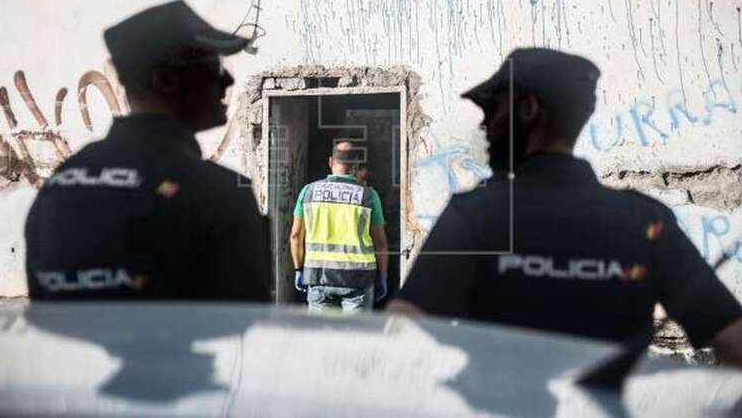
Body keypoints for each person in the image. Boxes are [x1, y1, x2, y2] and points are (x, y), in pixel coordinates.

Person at [389, 48, 742, 366]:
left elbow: (402, 335)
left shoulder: (474, 215)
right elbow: (734, 341)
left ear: (528, 109)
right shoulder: (645, 220)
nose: (485, 123)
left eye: (494, 108)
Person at [25, 0, 270, 302]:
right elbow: (243, 316)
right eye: (213, 66)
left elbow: (44, 310)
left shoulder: (60, 184)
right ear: (163, 80)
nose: (228, 80)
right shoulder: (220, 194)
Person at [290, 141, 389, 312]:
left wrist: (299, 269)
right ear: (355, 166)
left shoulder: (308, 191)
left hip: (318, 278)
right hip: (358, 280)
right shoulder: (369, 196)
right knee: (355, 331)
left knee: (322, 330)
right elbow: (380, 243)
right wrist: (383, 275)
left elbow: (295, 236)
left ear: (330, 162)